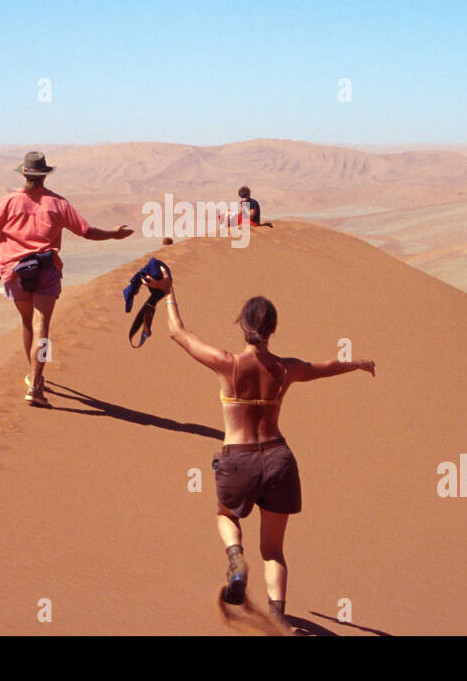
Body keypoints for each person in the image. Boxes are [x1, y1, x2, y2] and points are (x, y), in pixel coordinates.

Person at [142, 267, 374, 631]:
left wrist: (169, 292)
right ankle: (278, 621)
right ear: (273, 329)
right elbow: (323, 367)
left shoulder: (228, 364)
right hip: (280, 461)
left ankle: (236, 561)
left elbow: (178, 334)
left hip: (239, 460)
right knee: (274, 551)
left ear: (242, 325)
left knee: (226, 516)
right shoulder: (286, 369)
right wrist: (357, 364)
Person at [0, 151, 133, 407]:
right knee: (42, 326)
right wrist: (113, 234)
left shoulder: (8, 201)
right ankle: (35, 381)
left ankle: (34, 375)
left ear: (24, 173)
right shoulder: (58, 203)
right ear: (44, 176)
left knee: (26, 321)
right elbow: (86, 232)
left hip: (15, 272)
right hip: (46, 270)